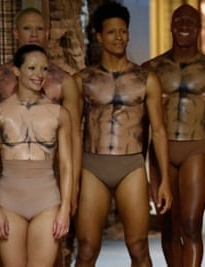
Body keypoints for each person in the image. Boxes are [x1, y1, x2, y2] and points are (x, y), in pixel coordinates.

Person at [73, 2, 172, 266]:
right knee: (86, 249)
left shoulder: (146, 79)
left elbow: (159, 132)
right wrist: (71, 182)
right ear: (99, 37)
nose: (119, 37)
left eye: (123, 31)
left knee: (139, 247)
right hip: (93, 165)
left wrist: (163, 181)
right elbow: (71, 135)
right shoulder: (83, 80)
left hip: (131, 165)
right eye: (112, 32)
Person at [142, 4, 205, 267]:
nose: (184, 26)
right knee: (168, 226)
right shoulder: (151, 68)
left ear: (199, 27)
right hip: (162, 151)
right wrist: (143, 173)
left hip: (195, 149)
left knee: (191, 224)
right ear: (170, 25)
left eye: (190, 21)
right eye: (178, 20)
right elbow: (140, 126)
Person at [0, 7, 82, 219]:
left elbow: (74, 138)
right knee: (7, 242)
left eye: (40, 28)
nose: (33, 34)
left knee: (54, 244)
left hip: (50, 179)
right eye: (27, 28)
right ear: (16, 33)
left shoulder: (64, 82)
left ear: (48, 33)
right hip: (10, 177)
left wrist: (74, 186)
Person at [0, 44, 73, 267]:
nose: (39, 75)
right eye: (32, 68)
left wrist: (65, 209)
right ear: (16, 71)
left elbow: (66, 166)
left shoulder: (59, 113)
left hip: (47, 202)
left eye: (44, 69)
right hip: (9, 203)